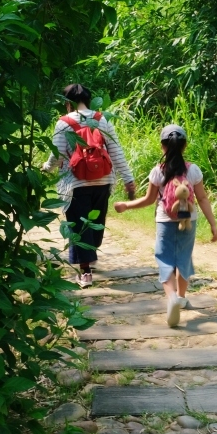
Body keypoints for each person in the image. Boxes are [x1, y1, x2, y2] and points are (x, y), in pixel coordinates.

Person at [114, 124, 217, 327]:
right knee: (184, 258)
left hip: (164, 220)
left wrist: (125, 205)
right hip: (189, 220)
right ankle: (180, 297)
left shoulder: (158, 171)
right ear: (185, 146)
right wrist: (213, 224)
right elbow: (203, 198)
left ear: (163, 147)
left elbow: (148, 200)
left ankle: (171, 297)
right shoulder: (193, 170)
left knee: (165, 259)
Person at [43, 84, 136, 287]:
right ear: (88, 98)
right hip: (103, 180)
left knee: (79, 224)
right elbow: (116, 151)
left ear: (67, 103)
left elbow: (57, 156)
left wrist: (45, 168)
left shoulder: (63, 123)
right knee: (96, 221)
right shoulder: (101, 119)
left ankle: (85, 272)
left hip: (75, 183)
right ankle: (89, 255)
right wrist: (129, 179)